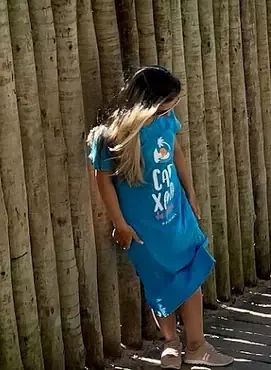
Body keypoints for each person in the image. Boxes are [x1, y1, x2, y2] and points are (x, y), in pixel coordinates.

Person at [88, 67, 233, 368]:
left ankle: (197, 344)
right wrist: (121, 225)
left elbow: (177, 153)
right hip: (144, 227)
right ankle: (171, 343)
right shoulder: (109, 136)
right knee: (158, 282)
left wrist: (190, 192)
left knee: (190, 274)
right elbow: (103, 181)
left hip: (175, 213)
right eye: (171, 100)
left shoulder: (166, 121)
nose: (175, 106)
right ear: (150, 102)